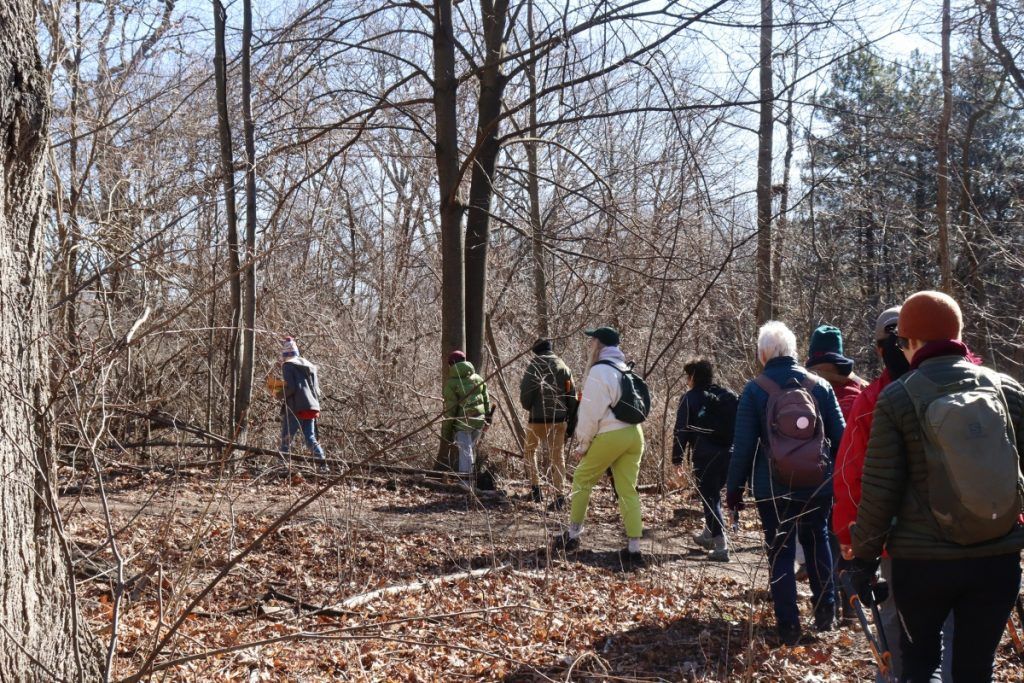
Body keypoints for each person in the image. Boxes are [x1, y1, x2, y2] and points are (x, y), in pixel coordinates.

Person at [849, 291, 1024, 683]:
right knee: (974, 670)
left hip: (921, 566)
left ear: (909, 342)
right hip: (997, 560)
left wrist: (862, 557)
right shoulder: (1007, 390)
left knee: (920, 665)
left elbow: (880, 490)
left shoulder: (896, 398)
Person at [725, 321, 845, 644]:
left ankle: (789, 627)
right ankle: (825, 616)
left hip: (772, 489)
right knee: (818, 539)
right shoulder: (820, 386)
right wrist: (837, 478)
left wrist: (734, 489)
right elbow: (842, 437)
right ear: (792, 350)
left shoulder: (753, 390)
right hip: (817, 484)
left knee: (780, 551)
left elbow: (743, 445)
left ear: (763, 354)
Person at [551, 326, 647, 569]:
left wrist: (583, 444)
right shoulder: (622, 368)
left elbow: (590, 413)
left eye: (592, 341)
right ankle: (634, 548)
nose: (590, 345)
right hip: (634, 433)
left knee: (582, 477)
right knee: (627, 489)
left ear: (599, 345)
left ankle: (572, 536)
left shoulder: (599, 371)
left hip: (612, 433)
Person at [672, 358, 737, 562]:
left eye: (687, 376)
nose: (687, 381)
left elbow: (681, 430)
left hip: (704, 455)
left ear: (693, 376)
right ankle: (708, 534)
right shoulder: (728, 395)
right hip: (729, 453)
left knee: (709, 498)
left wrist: (677, 459)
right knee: (714, 494)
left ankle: (721, 544)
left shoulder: (690, 398)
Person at [520, 338, 578, 510]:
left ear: (536, 351)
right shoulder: (563, 367)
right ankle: (560, 496)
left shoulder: (534, 366)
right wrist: (570, 419)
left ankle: (536, 489)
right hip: (559, 420)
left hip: (538, 419)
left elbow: (525, 395)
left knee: (530, 451)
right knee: (557, 457)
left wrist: (530, 406)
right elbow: (571, 396)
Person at [276, 337, 327, 472]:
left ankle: (282, 466)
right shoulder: (310, 366)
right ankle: (323, 464)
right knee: (310, 437)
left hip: (295, 407)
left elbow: (291, 388)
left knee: (287, 437)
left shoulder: (288, 366)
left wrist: (278, 393)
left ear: (285, 354)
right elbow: (317, 390)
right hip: (312, 407)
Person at [442, 350, 492, 486]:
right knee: (470, 449)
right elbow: (486, 399)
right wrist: (487, 416)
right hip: (479, 420)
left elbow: (450, 411)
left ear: (451, 365)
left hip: (463, 422)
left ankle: (465, 484)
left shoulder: (452, 383)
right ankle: (471, 480)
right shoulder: (477, 378)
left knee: (465, 452)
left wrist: (446, 432)